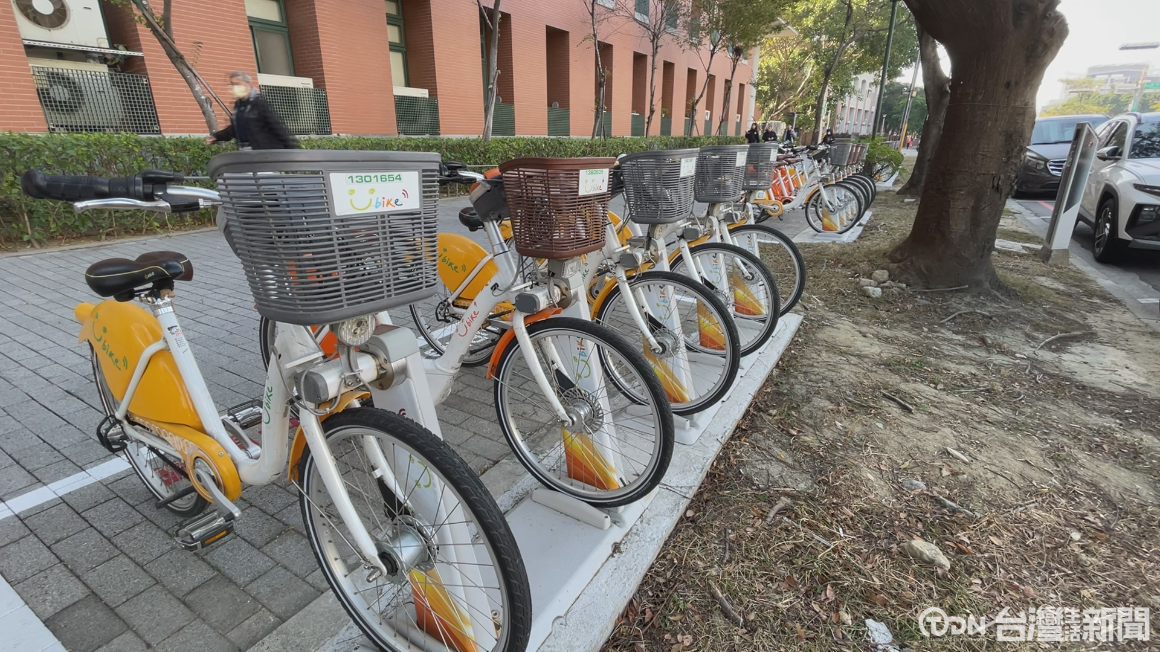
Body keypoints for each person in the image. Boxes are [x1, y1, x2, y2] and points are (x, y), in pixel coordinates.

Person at [206, 72, 297, 150]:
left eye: (238, 84)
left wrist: (292, 149)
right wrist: (217, 136)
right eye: (232, 84)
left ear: (248, 85)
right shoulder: (239, 106)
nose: (235, 87)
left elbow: (277, 127)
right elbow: (235, 128)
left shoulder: (259, 104)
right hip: (245, 151)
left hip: (263, 152)